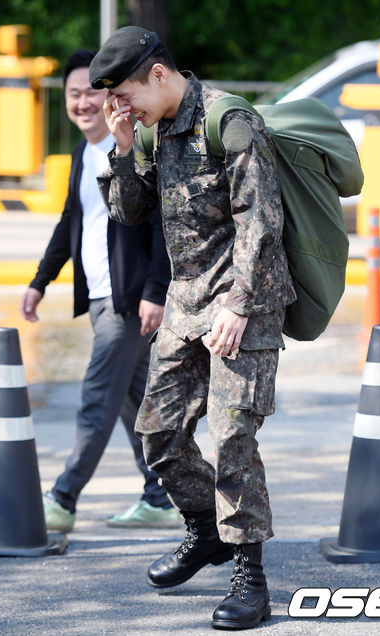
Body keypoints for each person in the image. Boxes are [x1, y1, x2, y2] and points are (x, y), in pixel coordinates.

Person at [90, 27, 296, 630]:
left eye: (126, 94)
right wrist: (124, 145)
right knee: (157, 433)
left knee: (233, 439)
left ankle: (248, 576)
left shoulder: (229, 120)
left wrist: (238, 303)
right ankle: (206, 529)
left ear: (158, 74)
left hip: (243, 304)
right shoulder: (150, 130)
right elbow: (129, 212)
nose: (120, 106)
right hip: (185, 304)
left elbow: (261, 220)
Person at [20, 49, 179, 533]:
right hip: (98, 299)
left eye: (92, 92)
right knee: (135, 403)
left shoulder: (130, 147)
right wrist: (41, 281)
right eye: (73, 94)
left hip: (126, 299)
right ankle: (159, 496)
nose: (82, 102)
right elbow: (72, 220)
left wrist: (156, 288)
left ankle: (63, 498)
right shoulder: (80, 154)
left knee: (96, 400)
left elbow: (159, 225)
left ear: (110, 96)